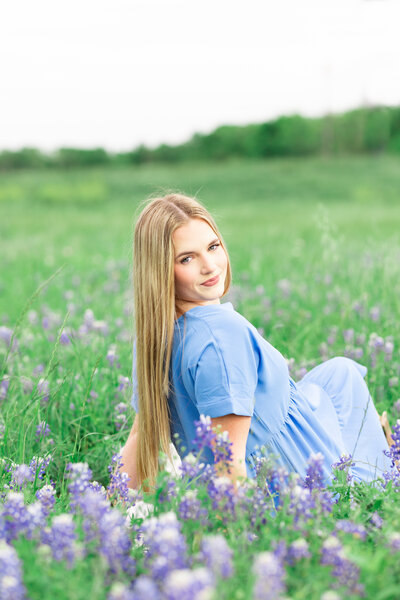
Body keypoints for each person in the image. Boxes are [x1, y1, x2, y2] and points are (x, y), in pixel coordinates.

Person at [119, 192, 393, 492]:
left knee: (341, 373)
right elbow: (230, 466)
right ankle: (382, 475)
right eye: (187, 258)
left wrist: (113, 503)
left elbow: (139, 434)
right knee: (353, 402)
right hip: (297, 481)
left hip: (275, 440)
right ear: (160, 271)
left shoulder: (155, 333)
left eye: (213, 247)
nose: (210, 266)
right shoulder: (221, 337)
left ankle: (380, 447)